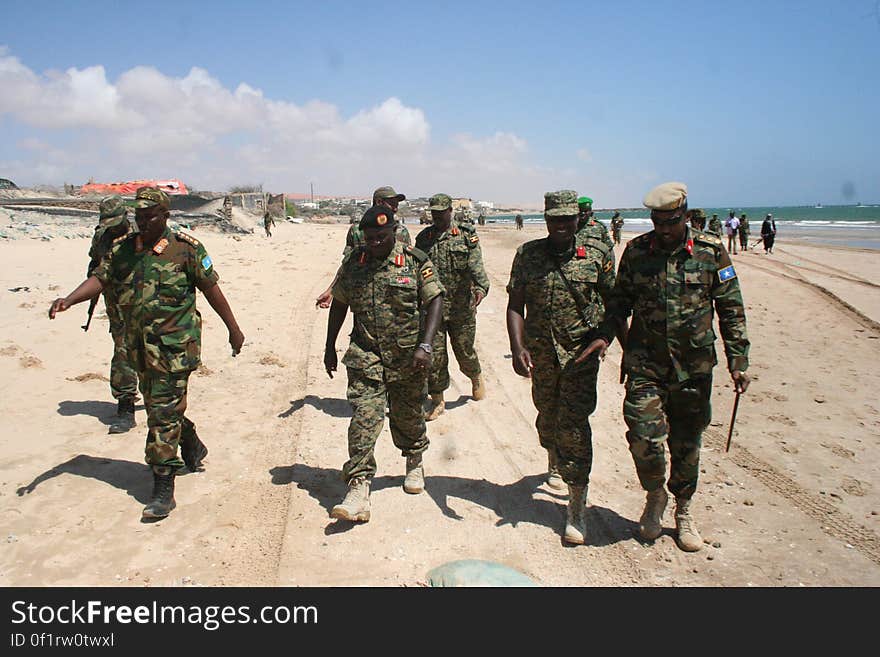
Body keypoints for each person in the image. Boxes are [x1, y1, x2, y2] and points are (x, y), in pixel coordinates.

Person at [49, 187, 245, 520]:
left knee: (162, 413)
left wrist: (234, 329)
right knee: (160, 406)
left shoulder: (186, 249)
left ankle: (163, 487)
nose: (142, 221)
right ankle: (192, 443)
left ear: (165, 215)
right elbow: (100, 277)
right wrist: (69, 299)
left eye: (149, 216)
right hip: (137, 348)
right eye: (138, 216)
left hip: (174, 349)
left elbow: (212, 290)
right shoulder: (123, 250)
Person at [605, 181, 750, 552]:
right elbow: (619, 304)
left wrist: (738, 358)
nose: (664, 229)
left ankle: (684, 510)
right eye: (658, 222)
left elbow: (730, 308)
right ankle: (655, 496)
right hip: (646, 366)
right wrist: (614, 342)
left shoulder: (711, 251)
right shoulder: (637, 252)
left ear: (685, 215)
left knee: (687, 445)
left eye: (670, 222)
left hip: (693, 368)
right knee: (643, 438)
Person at [506, 190, 617, 544]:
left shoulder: (597, 255)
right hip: (541, 357)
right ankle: (553, 456)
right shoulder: (528, 255)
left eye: (568, 219)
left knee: (575, 425)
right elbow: (515, 305)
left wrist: (605, 338)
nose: (561, 226)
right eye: (555, 220)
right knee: (547, 417)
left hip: (580, 358)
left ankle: (576, 505)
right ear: (546, 219)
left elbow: (616, 302)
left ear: (578, 219)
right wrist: (517, 346)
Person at [324, 205, 444, 522]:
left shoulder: (415, 261)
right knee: (364, 418)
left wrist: (426, 344)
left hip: (408, 358)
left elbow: (435, 300)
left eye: (382, 235)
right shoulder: (354, 264)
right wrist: (329, 346)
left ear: (393, 232)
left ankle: (414, 458)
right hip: (366, 356)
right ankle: (358, 486)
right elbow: (339, 303)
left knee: (408, 418)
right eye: (370, 237)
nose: (376, 242)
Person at [416, 193, 490, 421]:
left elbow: (476, 266)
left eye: (442, 213)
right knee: (435, 356)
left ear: (451, 211)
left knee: (464, 351)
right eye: (435, 213)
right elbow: (417, 271)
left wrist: (480, 289)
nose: (438, 217)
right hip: (433, 309)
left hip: (461, 308)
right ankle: (437, 400)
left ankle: (475, 375)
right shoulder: (424, 239)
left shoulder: (466, 236)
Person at [85, 195, 140, 434]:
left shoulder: (143, 230)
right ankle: (125, 405)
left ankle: (164, 400)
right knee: (123, 351)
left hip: (146, 302)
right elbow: (94, 264)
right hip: (117, 304)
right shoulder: (101, 237)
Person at [315, 186, 412, 308]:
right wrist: (332, 291)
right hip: (364, 295)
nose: (396, 208)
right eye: (392, 204)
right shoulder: (357, 231)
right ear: (379, 202)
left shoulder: (401, 231)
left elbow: (409, 266)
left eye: (397, 205)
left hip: (393, 296)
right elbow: (347, 266)